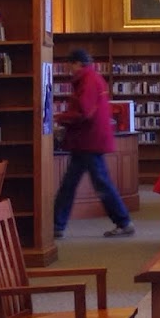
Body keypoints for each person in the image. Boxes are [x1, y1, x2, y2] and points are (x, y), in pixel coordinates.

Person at [52, 48, 134, 237]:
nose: (69, 70)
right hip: (88, 140)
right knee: (73, 184)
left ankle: (123, 221)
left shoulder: (87, 81)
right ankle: (57, 224)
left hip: (89, 140)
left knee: (97, 183)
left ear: (77, 64)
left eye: (70, 66)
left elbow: (84, 112)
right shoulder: (93, 78)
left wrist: (60, 117)